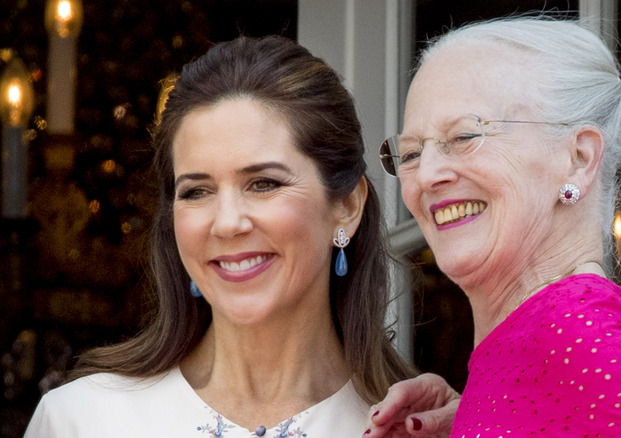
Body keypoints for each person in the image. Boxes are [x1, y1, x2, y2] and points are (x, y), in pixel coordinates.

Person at [24, 35, 416, 437]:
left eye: (263, 183)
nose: (227, 223)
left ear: (347, 206)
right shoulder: (80, 421)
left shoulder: (415, 428)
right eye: (197, 191)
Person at [367, 17, 621, 437]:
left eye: (465, 136)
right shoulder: (544, 342)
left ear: (578, 158)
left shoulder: (578, 333)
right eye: (411, 153)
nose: (427, 175)